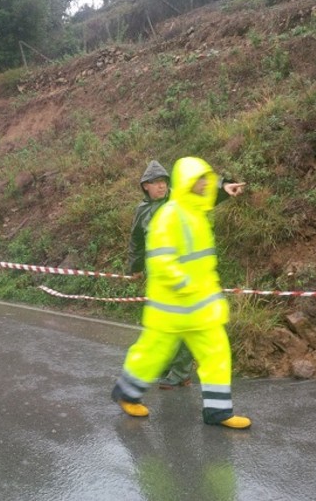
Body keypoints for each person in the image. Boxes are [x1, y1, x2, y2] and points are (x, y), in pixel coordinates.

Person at [112, 156, 251, 429]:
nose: (204, 184)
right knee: (151, 353)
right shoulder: (169, 216)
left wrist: (225, 187)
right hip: (172, 307)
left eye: (206, 179)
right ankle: (126, 394)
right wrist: (185, 286)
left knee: (217, 354)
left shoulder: (196, 212)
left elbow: (209, 199)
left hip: (200, 309)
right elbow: (161, 260)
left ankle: (218, 412)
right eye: (199, 179)